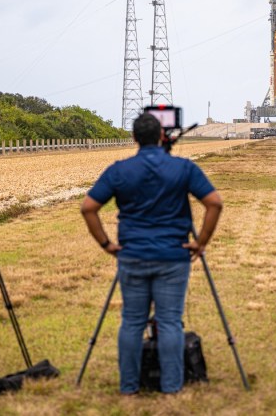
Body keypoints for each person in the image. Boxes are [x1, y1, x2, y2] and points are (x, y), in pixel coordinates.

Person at [81, 113, 223, 395]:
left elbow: (88, 207)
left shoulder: (119, 170)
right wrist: (201, 241)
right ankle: (171, 386)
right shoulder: (182, 167)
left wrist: (107, 245)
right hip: (173, 255)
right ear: (162, 136)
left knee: (132, 321)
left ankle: (129, 387)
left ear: (134, 138)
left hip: (132, 255)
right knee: (169, 320)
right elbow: (214, 203)